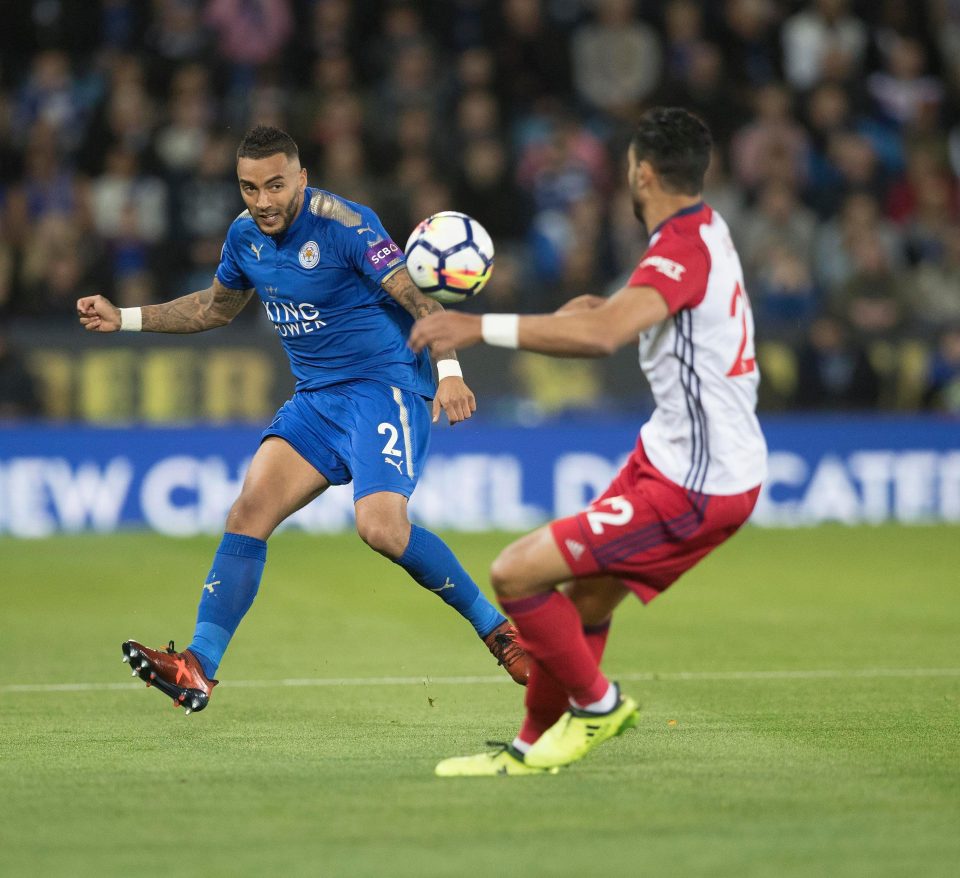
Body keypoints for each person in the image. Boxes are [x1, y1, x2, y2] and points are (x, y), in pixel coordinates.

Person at [76, 125, 528, 715]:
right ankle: (197, 667)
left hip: (383, 388)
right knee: (247, 513)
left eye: (274, 185)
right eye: (248, 188)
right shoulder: (244, 238)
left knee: (382, 530)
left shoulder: (348, 224)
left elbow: (420, 302)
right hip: (317, 400)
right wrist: (126, 318)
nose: (262, 201)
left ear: (302, 179)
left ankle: (499, 631)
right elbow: (215, 308)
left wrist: (449, 373)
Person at [409, 107, 767, 775]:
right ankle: (528, 750)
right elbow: (631, 321)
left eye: (630, 168)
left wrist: (477, 329)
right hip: (672, 454)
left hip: (698, 482)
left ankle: (599, 706)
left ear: (644, 172)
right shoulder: (704, 231)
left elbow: (603, 341)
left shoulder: (679, 249)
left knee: (515, 573)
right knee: (590, 597)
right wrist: (599, 312)